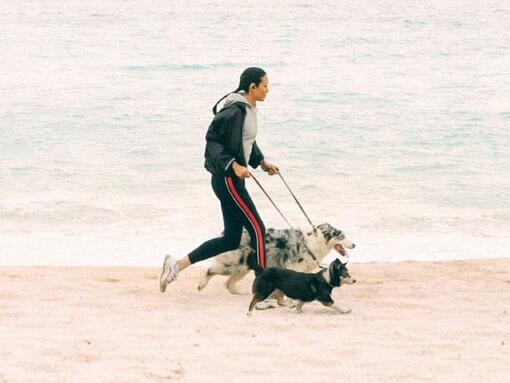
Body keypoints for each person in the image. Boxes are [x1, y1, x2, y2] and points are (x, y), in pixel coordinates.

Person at [160, 67, 279, 293]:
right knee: (257, 228)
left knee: (231, 240)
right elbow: (213, 141)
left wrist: (262, 162)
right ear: (252, 87)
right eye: (265, 85)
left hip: (231, 180)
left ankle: (175, 266)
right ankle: (265, 289)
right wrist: (233, 165)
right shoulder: (234, 110)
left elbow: (246, 141)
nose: (268, 90)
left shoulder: (249, 110)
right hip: (227, 180)